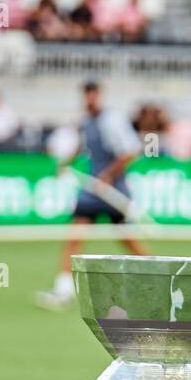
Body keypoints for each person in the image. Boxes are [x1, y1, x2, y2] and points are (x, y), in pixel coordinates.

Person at [35, 80, 149, 311]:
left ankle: (157, 276)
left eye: (93, 95)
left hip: (112, 191)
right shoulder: (86, 122)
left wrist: (108, 175)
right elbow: (81, 147)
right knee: (75, 236)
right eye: (86, 95)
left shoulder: (113, 120)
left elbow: (131, 151)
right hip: (91, 191)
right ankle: (63, 290)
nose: (89, 99)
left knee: (127, 239)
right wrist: (66, 164)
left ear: (99, 95)